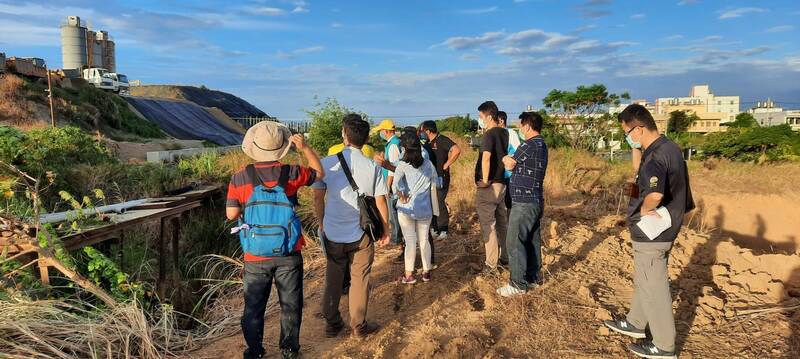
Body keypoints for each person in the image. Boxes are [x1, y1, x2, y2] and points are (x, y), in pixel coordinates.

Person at [226, 121, 323, 359]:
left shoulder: (240, 177)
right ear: (281, 147)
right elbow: (319, 173)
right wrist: (306, 148)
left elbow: (231, 214)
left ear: (253, 147)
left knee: (253, 306)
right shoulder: (291, 172)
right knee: (290, 303)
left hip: (255, 254)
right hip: (288, 251)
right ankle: (289, 350)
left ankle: (255, 351)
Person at [604, 104, 694, 359]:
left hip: (653, 231)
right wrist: (636, 149)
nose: (627, 137)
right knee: (647, 278)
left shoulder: (655, 156)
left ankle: (664, 346)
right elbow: (641, 174)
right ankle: (635, 322)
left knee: (654, 285)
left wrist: (644, 209)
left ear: (639, 128)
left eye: (628, 132)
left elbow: (655, 193)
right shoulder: (669, 147)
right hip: (667, 224)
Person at [313, 114, 391, 339]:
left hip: (333, 232)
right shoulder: (372, 167)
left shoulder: (326, 163)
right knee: (360, 278)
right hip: (362, 233)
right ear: (366, 138)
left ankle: (332, 322)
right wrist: (386, 230)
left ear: (344, 135)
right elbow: (380, 202)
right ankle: (358, 325)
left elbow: (318, 197)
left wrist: (321, 223)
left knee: (333, 276)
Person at [496, 112, 548, 297]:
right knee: (532, 240)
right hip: (535, 200)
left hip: (524, 203)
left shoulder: (529, 144)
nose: (519, 127)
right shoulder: (542, 144)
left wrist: (504, 158)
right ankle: (532, 278)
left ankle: (517, 284)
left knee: (514, 240)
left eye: (520, 124)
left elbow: (510, 164)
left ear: (527, 126)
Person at [392, 131, 438, 284]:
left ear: (404, 148)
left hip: (406, 209)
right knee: (424, 240)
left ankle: (409, 275)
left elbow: (395, 186)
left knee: (410, 241)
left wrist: (401, 195)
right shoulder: (428, 164)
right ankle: (426, 272)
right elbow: (436, 182)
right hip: (425, 209)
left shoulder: (402, 165)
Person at [475, 101, 510, 275]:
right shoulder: (504, 133)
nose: (480, 120)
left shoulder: (489, 135)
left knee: (489, 225)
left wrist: (486, 180)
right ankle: (506, 257)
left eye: (481, 117)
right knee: (502, 222)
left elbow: (486, 158)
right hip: (502, 184)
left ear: (489, 116)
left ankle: (491, 264)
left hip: (490, 187)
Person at [419, 120, 461, 240]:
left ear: (428, 130)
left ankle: (443, 229)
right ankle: (434, 228)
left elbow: (456, 150)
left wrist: (446, 164)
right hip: (429, 177)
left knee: (439, 201)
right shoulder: (426, 142)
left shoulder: (442, 140)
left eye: (423, 130)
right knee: (430, 202)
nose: (422, 133)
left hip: (440, 176)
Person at [372, 119, 404, 257]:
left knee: (395, 218)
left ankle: (401, 245)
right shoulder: (394, 143)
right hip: (394, 185)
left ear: (386, 131)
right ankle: (401, 244)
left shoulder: (392, 146)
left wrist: (388, 187)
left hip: (393, 186)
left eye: (381, 131)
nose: (381, 134)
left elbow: (393, 169)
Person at [497, 111, 522, 210]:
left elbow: (517, 152)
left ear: (501, 121)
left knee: (509, 201)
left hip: (508, 175)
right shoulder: (495, 134)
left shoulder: (511, 133)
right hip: (498, 175)